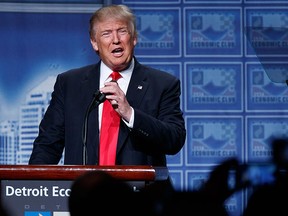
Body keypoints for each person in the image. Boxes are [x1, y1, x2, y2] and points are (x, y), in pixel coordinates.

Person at [28, 4, 186, 166]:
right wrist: (32, 185)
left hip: (141, 189)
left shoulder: (163, 84)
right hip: (85, 188)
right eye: (106, 33)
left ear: (134, 39)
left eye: (122, 31)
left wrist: (130, 114)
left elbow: (174, 139)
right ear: (95, 43)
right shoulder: (69, 84)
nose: (115, 40)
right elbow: (47, 145)